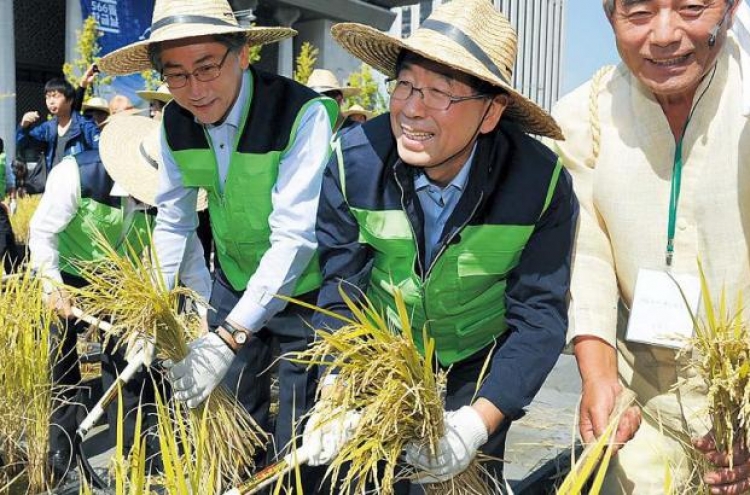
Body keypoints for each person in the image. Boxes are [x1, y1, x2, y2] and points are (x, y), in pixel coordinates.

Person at [307, 0, 577, 490]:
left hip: (481, 360)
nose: (412, 108)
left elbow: (539, 315)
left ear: (491, 112)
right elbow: (342, 283)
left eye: (439, 93)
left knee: (461, 476)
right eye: (406, 84)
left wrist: (478, 421)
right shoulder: (353, 162)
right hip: (386, 352)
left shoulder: (540, 184)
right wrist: (334, 385)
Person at [98, 0, 339, 482]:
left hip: (307, 290)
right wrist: (155, 306)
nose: (195, 89)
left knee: (301, 431)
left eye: (207, 67)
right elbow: (173, 221)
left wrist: (230, 335)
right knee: (231, 415)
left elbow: (295, 236)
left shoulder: (302, 114)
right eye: (177, 76)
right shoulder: (174, 122)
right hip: (232, 279)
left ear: (243, 53)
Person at [546, 0, 750, 493]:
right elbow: (587, 255)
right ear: (608, 15)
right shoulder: (585, 113)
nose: (663, 34)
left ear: (731, 8)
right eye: (638, 13)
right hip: (647, 407)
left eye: (691, 8)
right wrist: (599, 377)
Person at [28, 114, 210, 485]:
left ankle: (135, 448)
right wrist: (53, 285)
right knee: (59, 357)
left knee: (132, 359)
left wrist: (206, 317)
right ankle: (61, 446)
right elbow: (42, 232)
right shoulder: (78, 174)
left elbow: (193, 266)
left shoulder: (174, 200)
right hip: (67, 273)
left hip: (122, 284)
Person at [16, 77, 101, 172]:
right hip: (53, 183)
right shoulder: (47, 127)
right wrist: (24, 126)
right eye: (47, 97)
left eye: (55, 96)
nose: (51, 101)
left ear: (70, 100)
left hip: (78, 183)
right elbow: (23, 145)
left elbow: (99, 157)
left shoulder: (86, 126)